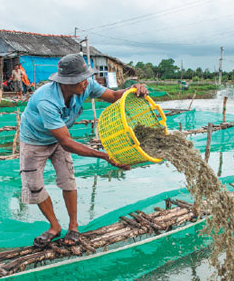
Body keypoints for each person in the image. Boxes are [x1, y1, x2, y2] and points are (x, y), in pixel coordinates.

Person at [20, 53, 148, 247]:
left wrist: (132, 90)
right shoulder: (47, 101)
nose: (86, 83)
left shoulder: (86, 84)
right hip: (34, 140)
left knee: (67, 179)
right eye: (81, 80)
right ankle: (54, 227)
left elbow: (113, 96)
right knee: (34, 186)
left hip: (61, 136)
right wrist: (105, 156)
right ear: (67, 82)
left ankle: (73, 227)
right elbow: (67, 143)